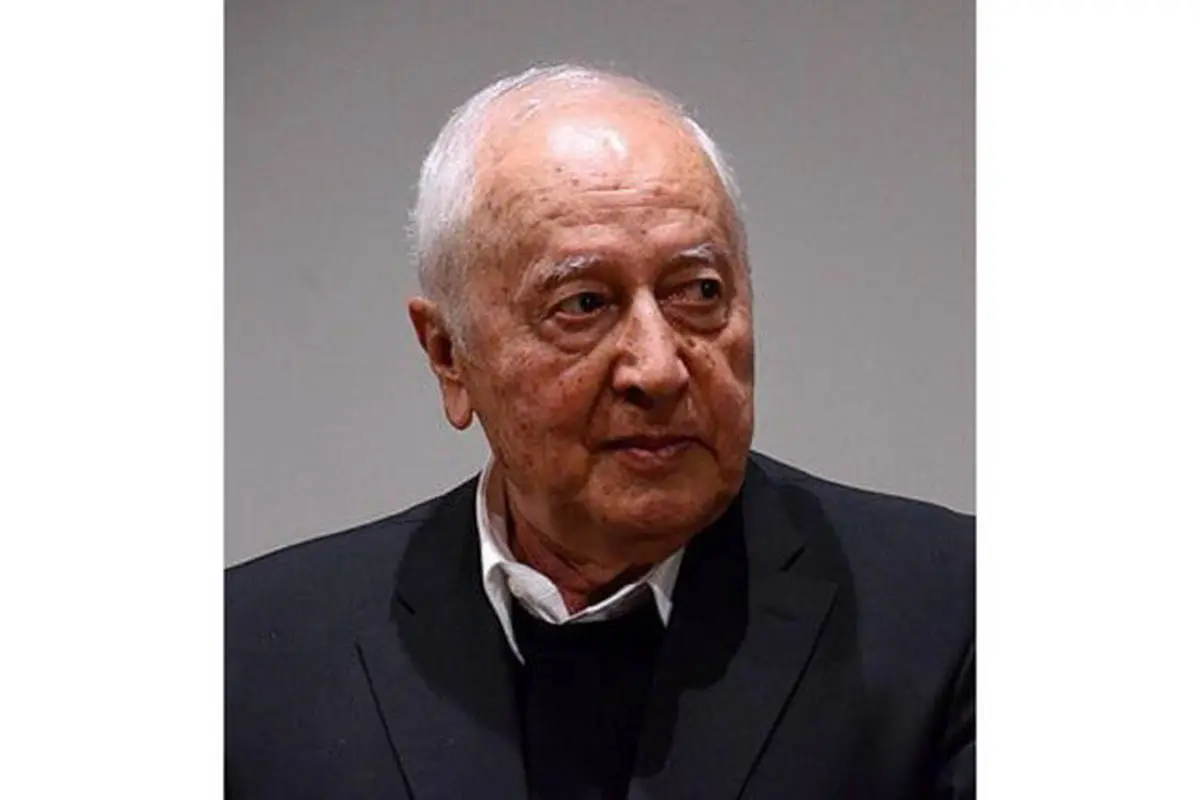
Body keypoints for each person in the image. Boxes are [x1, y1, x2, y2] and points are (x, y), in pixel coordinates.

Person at [225, 64, 974, 799]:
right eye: (583, 304)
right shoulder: (248, 656)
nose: (659, 368)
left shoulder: (957, 614)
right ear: (449, 355)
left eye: (699, 292)